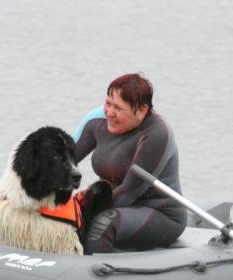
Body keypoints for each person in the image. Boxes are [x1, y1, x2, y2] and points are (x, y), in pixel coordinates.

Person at [74, 73, 187, 253]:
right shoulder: (98, 121)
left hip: (160, 213)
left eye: (118, 108)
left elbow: (129, 193)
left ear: (141, 111)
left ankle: (88, 276)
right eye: (107, 103)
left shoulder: (156, 133)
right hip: (115, 203)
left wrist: (81, 210)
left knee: (103, 223)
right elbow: (65, 161)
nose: (109, 113)